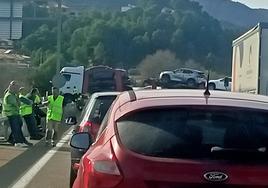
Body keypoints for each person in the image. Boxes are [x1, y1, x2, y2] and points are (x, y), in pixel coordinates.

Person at [2, 81, 33, 147]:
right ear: (11, 87)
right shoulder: (9, 96)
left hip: (14, 113)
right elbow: (17, 105)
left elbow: (18, 104)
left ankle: (14, 139)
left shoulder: (13, 95)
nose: (16, 88)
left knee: (20, 123)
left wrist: (17, 97)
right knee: (16, 127)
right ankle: (18, 141)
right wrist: (17, 98)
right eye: (15, 86)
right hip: (10, 114)